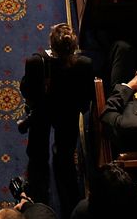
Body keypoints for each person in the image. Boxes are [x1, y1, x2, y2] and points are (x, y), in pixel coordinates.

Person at [19, 23, 95, 210]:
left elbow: (26, 89)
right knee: (65, 152)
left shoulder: (36, 62)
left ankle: (39, 173)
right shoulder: (85, 64)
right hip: (68, 114)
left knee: (38, 150)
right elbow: (87, 94)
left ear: (51, 43)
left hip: (42, 112)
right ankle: (62, 166)